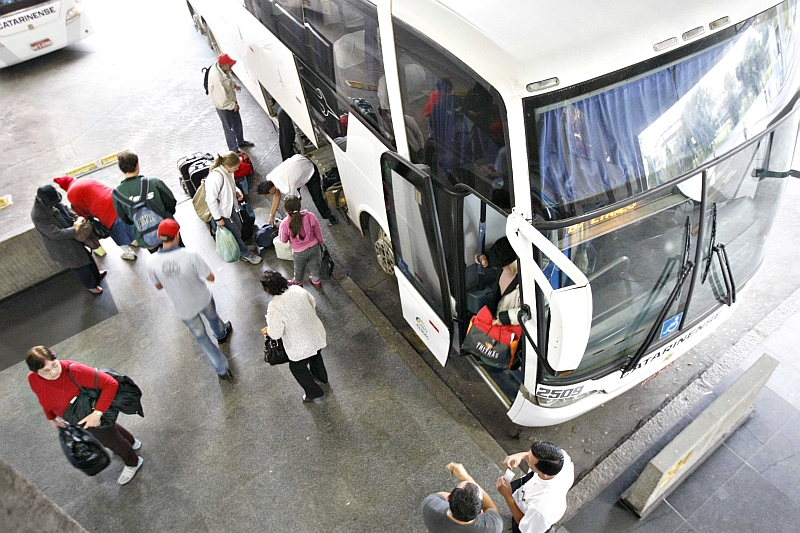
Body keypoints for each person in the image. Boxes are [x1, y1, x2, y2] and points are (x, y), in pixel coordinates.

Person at [26, 346, 143, 485]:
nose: (53, 372)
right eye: (45, 371)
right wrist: (51, 417)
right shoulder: (33, 379)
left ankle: (133, 462)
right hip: (76, 417)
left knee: (109, 440)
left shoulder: (75, 371)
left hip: (90, 414)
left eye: (54, 365)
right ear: (36, 372)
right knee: (109, 431)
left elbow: (111, 383)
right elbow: (43, 398)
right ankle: (132, 442)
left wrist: (97, 414)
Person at [146, 219, 234, 381]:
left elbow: (159, 287)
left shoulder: (151, 263)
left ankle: (221, 369)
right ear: (177, 234)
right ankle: (221, 333)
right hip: (203, 298)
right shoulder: (190, 255)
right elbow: (211, 277)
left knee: (201, 337)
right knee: (213, 317)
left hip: (184, 308)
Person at [260, 270, 328, 402]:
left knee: (297, 368)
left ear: (268, 289)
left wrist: (268, 328)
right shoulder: (297, 289)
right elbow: (313, 302)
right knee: (316, 355)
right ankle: (322, 377)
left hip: (300, 345)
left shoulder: (274, 306)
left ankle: (313, 392)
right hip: (316, 333)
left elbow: (275, 333)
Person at [31, 184, 107, 295]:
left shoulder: (53, 201)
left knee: (87, 257)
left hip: (72, 236)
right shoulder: (38, 215)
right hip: (63, 246)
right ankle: (91, 286)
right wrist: (75, 228)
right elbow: (55, 234)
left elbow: (65, 209)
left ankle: (96, 275)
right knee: (79, 266)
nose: (55, 204)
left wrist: (75, 216)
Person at [53, 176, 138, 261]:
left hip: (106, 212)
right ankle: (136, 241)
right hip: (119, 200)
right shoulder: (87, 179)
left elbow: (82, 214)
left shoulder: (71, 194)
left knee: (117, 232)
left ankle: (128, 253)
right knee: (130, 222)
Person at [495, 441, 574, 533]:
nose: (526, 458)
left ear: (543, 474)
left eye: (529, 461)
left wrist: (508, 496)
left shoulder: (540, 508)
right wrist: (520, 456)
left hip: (533, 522)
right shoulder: (560, 458)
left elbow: (525, 527)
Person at [112, 151, 177, 252]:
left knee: (160, 262)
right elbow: (171, 202)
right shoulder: (154, 182)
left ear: (122, 169)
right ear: (137, 165)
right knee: (181, 255)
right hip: (169, 229)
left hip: (146, 237)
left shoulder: (117, 194)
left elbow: (125, 218)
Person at [205, 151, 262, 264]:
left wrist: (236, 190)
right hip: (222, 212)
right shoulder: (216, 177)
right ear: (228, 166)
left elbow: (231, 184)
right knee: (234, 232)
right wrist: (218, 219)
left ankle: (241, 247)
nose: (236, 169)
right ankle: (244, 253)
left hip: (229, 207)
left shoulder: (227, 171)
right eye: (235, 167)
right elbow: (210, 200)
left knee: (238, 227)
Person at [256, 154, 338, 227]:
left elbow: (295, 203)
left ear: (270, 191)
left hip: (309, 170)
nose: (268, 196)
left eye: (266, 195)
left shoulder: (287, 186)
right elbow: (277, 195)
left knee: (317, 198)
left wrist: (288, 220)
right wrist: (272, 215)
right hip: (297, 163)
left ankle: (328, 215)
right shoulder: (270, 178)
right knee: (294, 199)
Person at [421, 462, 504, 532]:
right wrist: (468, 478)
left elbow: (442, 495)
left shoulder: (430, 504)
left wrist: (466, 479)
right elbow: (492, 509)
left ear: (449, 498)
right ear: (480, 513)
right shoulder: (494, 526)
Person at [208, 53, 254, 152]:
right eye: (229, 65)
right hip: (224, 106)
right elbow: (221, 100)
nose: (231, 66)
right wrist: (233, 105)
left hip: (230, 100)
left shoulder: (223, 69)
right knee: (228, 128)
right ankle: (234, 150)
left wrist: (234, 85)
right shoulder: (216, 79)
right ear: (223, 65)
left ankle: (240, 141)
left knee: (237, 122)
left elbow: (228, 78)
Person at [474, 237, 521, 327]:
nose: (500, 268)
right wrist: (486, 261)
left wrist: (506, 318)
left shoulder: (528, 282)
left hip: (516, 330)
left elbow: (532, 311)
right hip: (499, 322)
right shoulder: (504, 269)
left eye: (502, 265)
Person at [279, 195, 323, 287]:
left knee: (298, 269)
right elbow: (318, 231)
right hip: (314, 246)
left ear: (286, 210)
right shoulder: (310, 216)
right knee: (314, 264)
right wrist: (320, 241)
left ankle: (298, 282)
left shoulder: (285, 223)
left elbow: (283, 240)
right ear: (300, 205)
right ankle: (316, 281)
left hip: (299, 252)